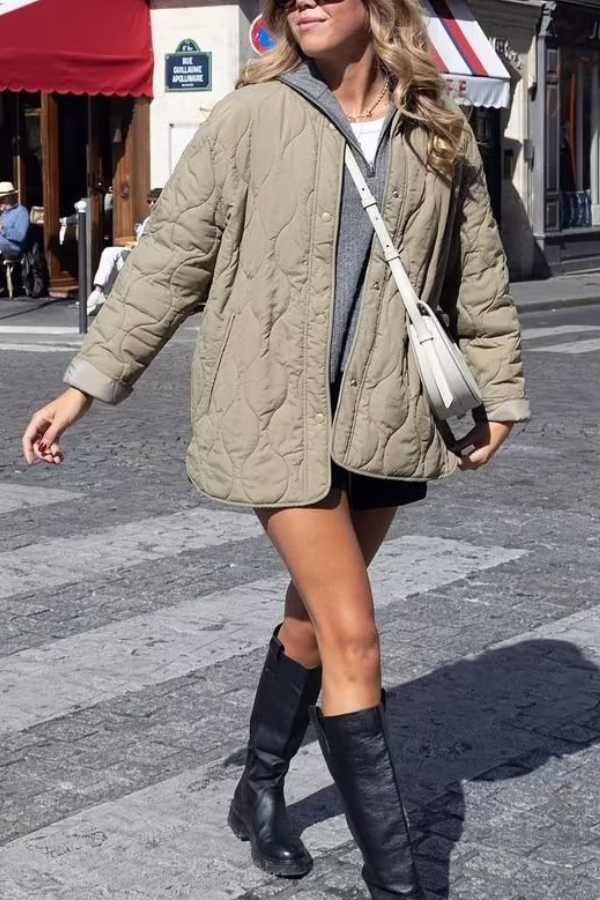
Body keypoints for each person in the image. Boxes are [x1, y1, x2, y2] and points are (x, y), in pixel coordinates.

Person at [22, 0, 530, 895]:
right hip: (271, 411)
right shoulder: (252, 117)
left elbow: (476, 272)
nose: (303, 0)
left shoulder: (438, 129)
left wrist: (502, 392)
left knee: (313, 622)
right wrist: (86, 383)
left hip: (385, 410)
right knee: (354, 638)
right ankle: (400, 883)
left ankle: (257, 788)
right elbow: (171, 258)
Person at [86, 188, 162, 315]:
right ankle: (98, 291)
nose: (151, 204)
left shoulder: (165, 221)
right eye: (149, 201)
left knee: (116, 262)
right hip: (137, 253)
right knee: (110, 253)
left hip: (149, 257)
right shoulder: (148, 219)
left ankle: (104, 298)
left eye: (155, 201)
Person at [0, 181, 30, 261]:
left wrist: (2, 228)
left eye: (1, 199)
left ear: (9, 197)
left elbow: (20, 236)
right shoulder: (4, 214)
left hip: (12, 249)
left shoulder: (21, 212)